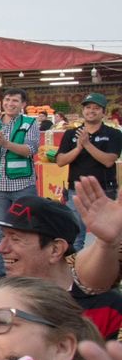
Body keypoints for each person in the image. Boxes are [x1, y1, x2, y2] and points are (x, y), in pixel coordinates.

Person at [0, 196, 122, 339]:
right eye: (3, 236)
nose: (1, 248)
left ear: (55, 250)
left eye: (15, 238)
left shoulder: (108, 307)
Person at [0, 87, 41, 277]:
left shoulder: (30, 123)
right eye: (7, 100)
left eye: (15, 101)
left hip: (23, 185)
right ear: (1, 102)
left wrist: (6, 144)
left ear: (23, 104)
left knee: (26, 229)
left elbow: (30, 150)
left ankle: (28, 272)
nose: (10, 104)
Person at [58, 93, 122, 252]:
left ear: (104, 112)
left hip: (104, 190)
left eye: (96, 108)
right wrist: (78, 147)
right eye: (88, 107)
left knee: (106, 236)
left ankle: (105, 273)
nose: (91, 111)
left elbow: (108, 160)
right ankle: (76, 273)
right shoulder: (71, 134)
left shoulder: (113, 134)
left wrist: (86, 144)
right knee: (75, 235)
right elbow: (61, 161)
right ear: (83, 110)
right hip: (76, 190)